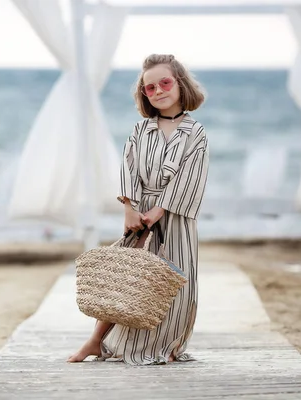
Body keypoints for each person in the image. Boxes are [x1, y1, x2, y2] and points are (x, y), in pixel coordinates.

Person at [68, 54, 209, 365]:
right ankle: (94, 340)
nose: (158, 91)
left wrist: (161, 209)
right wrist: (129, 209)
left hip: (176, 217)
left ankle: (167, 345)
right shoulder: (140, 130)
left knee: (174, 284)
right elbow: (128, 170)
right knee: (126, 280)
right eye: (149, 87)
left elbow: (191, 175)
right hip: (140, 216)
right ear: (144, 94)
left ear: (180, 84)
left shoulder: (195, 132)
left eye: (165, 83)